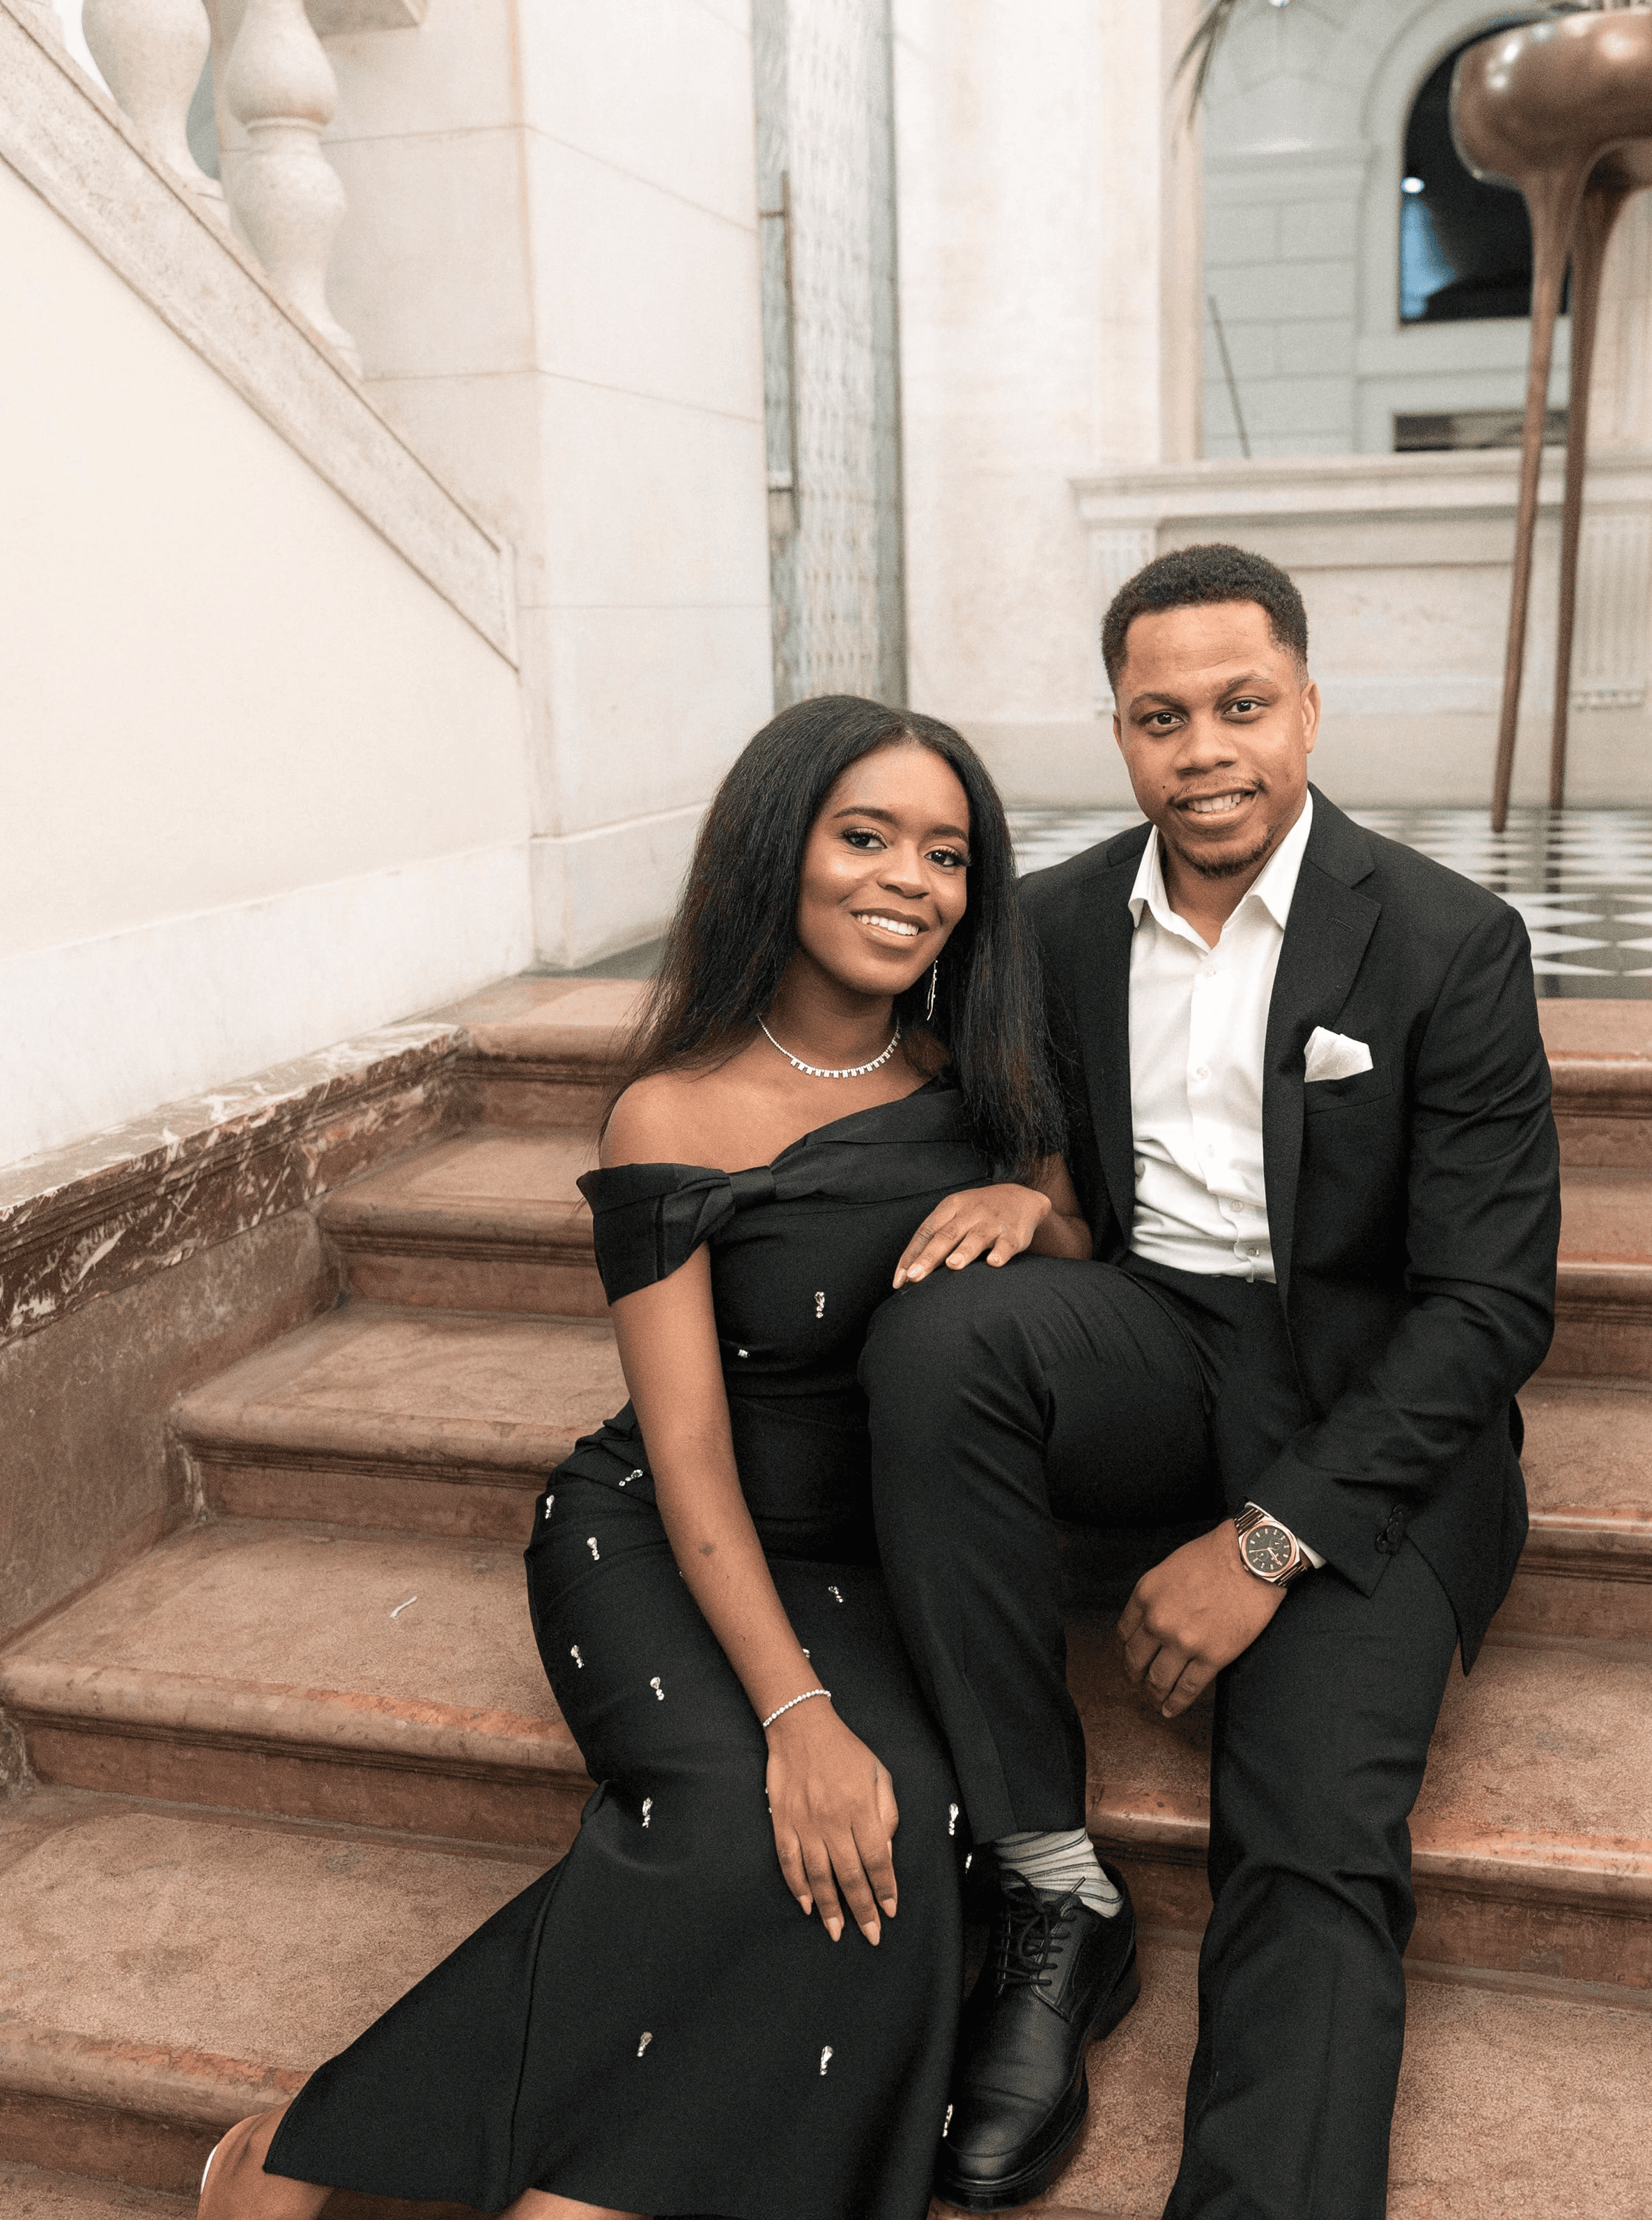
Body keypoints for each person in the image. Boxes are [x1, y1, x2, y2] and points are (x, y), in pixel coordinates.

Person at [197, 697, 1090, 2220]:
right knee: (753, 1819)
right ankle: (293, 2151)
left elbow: (1071, 1231)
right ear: (777, 851)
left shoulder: (981, 1078)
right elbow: (684, 1455)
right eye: (864, 836)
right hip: (664, 1539)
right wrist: (796, 1713)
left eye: (946, 853)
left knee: (902, 1836)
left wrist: (1033, 1214)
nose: (909, 880)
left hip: (881, 1562)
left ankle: (570, 2192)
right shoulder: (668, 1112)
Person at [863, 545, 1560, 2217]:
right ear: (1117, 734)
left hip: (1367, 1403)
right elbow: (1052, 1155)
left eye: (1241, 706)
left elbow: (1486, 1305)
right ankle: (1049, 1885)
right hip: (1157, 1342)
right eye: (1159, 717)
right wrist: (1034, 1201)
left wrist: (1267, 1544)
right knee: (935, 1331)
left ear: (1308, 710)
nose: (1204, 750)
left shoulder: (1448, 943)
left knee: (1312, 1840)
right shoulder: (1043, 927)